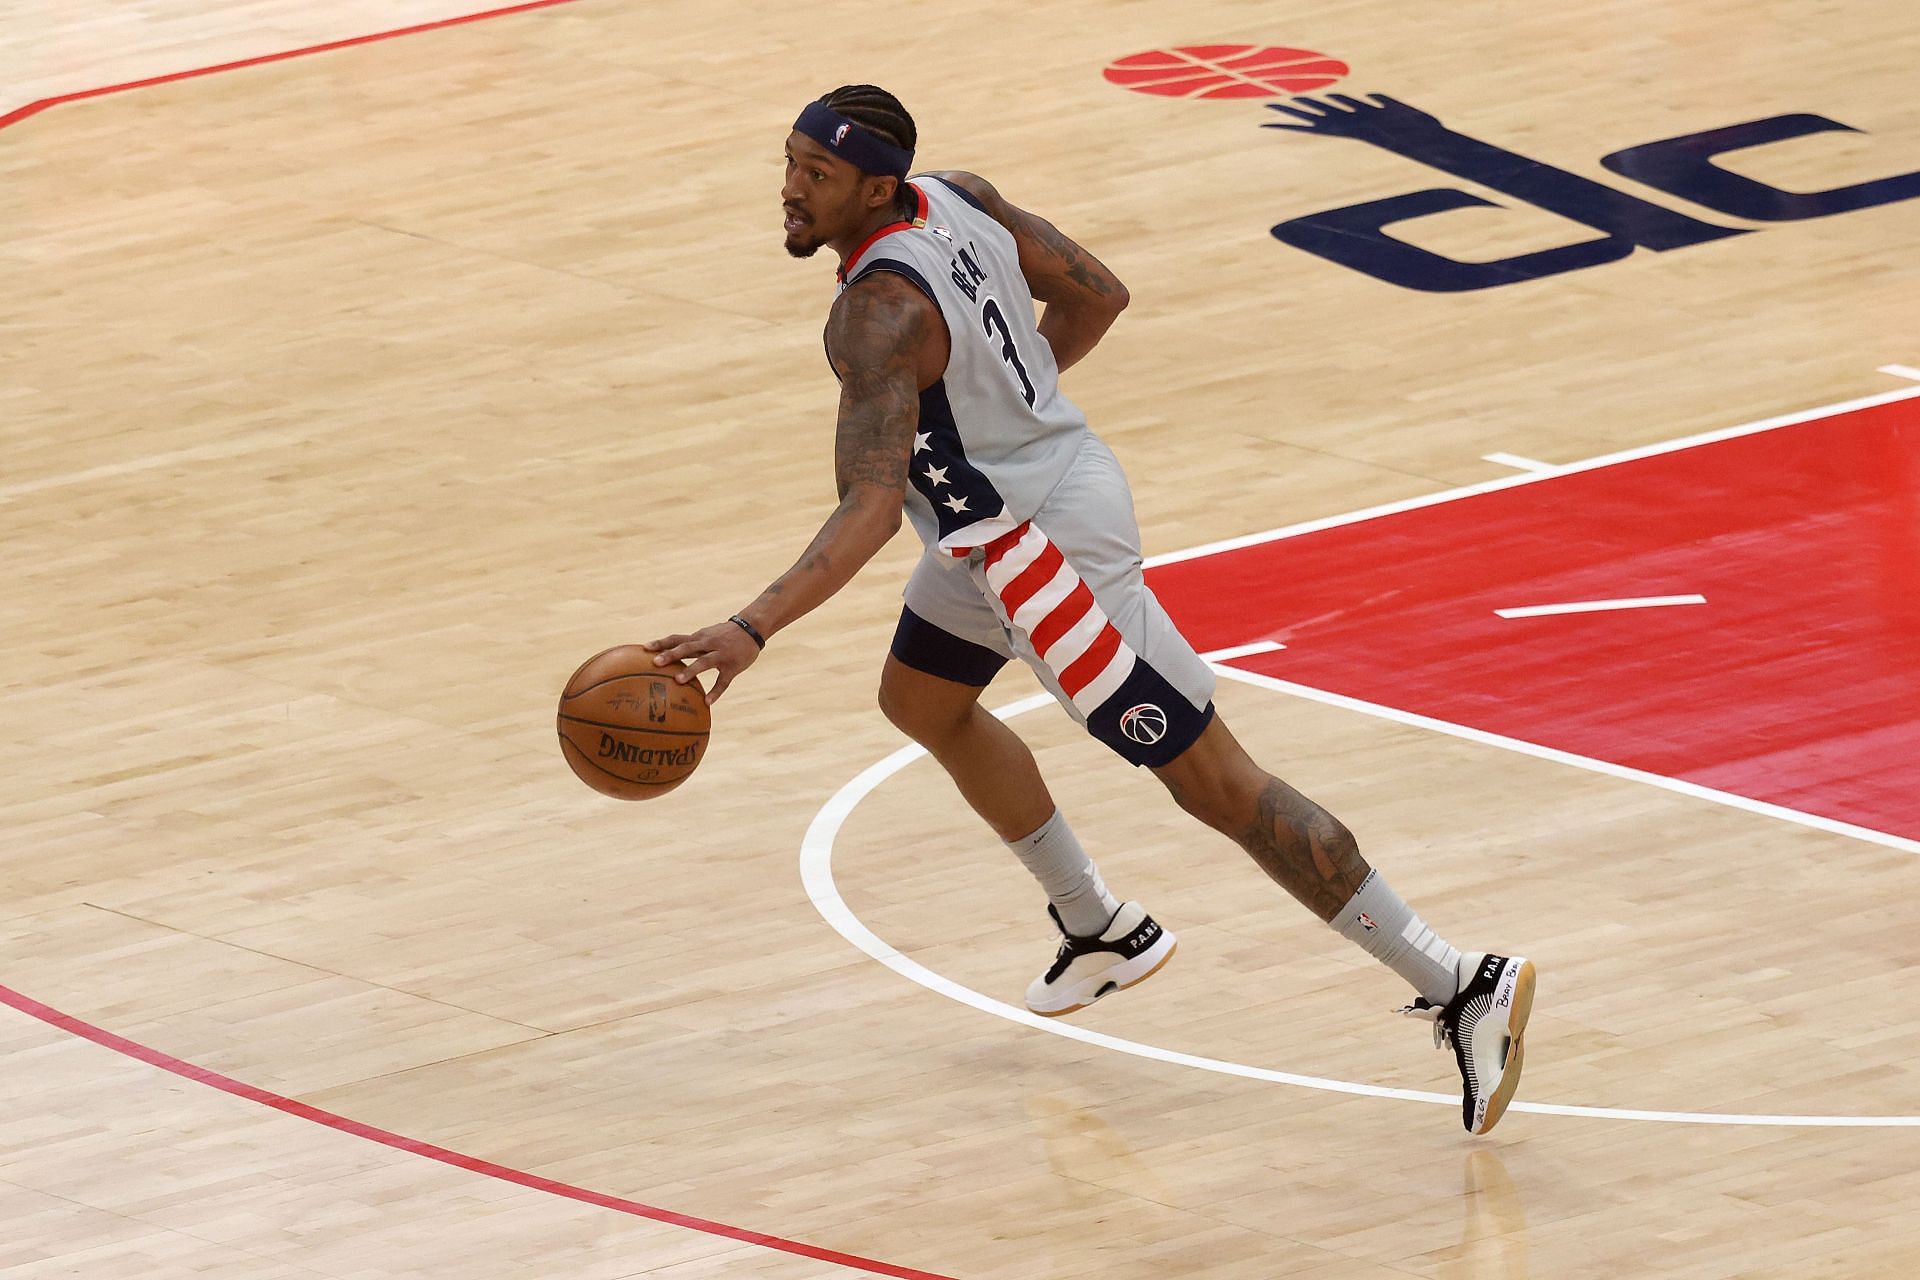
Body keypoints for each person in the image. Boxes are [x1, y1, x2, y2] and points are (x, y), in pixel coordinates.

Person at [647, 85, 1535, 1134]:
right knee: (921, 699)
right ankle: (1099, 925)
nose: (791, 190)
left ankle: (1458, 979)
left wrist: (752, 627)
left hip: (1042, 553)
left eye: (817, 175)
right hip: (1005, 516)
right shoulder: (957, 195)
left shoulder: (875, 314)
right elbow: (1098, 297)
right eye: (789, 162)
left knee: (1218, 784)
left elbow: (874, 504)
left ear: (876, 187)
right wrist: (1008, 405)